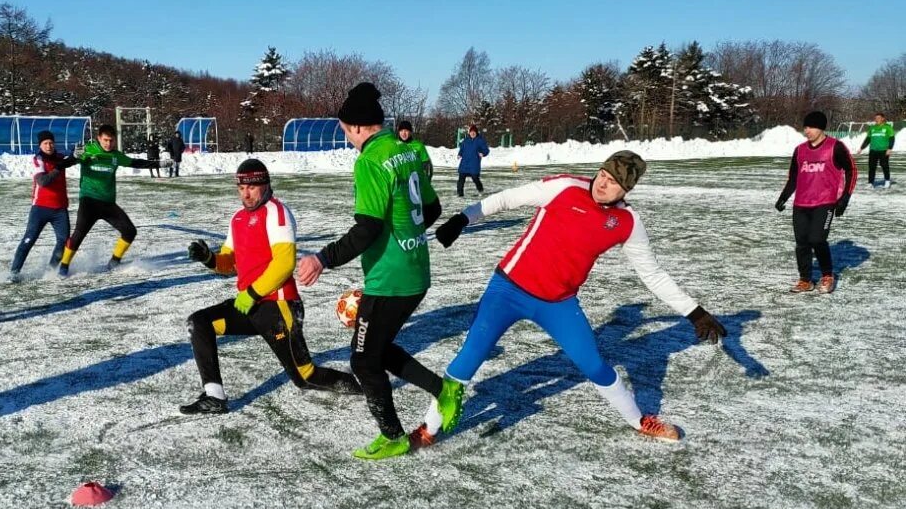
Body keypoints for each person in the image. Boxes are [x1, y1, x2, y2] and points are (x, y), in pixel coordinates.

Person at [428, 150, 726, 444]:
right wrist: (463, 219)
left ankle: (640, 420)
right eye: (603, 175)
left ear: (626, 190)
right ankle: (427, 430)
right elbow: (508, 198)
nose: (602, 183)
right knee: (470, 356)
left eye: (613, 182)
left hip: (558, 303)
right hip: (508, 289)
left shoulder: (627, 222)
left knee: (594, 365)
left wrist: (694, 311)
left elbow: (653, 274)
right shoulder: (566, 188)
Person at [295, 82, 448, 460]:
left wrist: (321, 259)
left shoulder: (370, 161)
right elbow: (432, 210)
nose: (347, 138)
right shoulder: (408, 152)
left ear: (359, 127)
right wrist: (406, 236)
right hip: (416, 271)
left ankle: (394, 436)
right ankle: (443, 392)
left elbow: (367, 230)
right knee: (376, 351)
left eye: (346, 131)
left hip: (390, 278)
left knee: (363, 360)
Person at [180, 159, 362, 414]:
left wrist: (253, 293)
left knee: (305, 377)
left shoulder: (277, 212)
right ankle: (215, 397)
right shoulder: (238, 218)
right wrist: (208, 258)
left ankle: (364, 385)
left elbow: (285, 263)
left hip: (279, 307)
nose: (246, 193)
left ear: (265, 185)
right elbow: (229, 262)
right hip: (250, 307)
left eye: (252, 187)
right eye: (241, 187)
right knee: (199, 322)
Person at [57, 124, 160, 274]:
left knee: (130, 231)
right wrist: (74, 157)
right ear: (99, 138)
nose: (108, 144)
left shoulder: (116, 156)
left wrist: (160, 164)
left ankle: (114, 262)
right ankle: (63, 267)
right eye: (105, 140)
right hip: (89, 201)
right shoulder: (87, 150)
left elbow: (135, 162)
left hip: (108, 204)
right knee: (78, 235)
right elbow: (67, 163)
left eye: (111, 141)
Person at [775, 110, 856, 294]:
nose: (807, 131)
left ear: (821, 127)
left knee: (817, 240)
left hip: (825, 202)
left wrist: (844, 198)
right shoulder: (800, 150)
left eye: (810, 127)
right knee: (802, 242)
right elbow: (793, 176)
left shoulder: (835, 147)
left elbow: (852, 170)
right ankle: (805, 280)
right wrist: (783, 197)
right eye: (805, 127)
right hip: (801, 204)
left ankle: (827, 275)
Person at [9, 131, 76, 282]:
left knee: (64, 241)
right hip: (40, 208)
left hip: (60, 209)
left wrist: (78, 156)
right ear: (40, 145)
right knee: (29, 240)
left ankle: (50, 270)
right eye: (45, 143)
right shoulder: (38, 159)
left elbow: (74, 160)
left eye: (51, 143)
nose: (49, 145)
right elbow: (43, 181)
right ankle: (14, 272)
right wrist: (59, 167)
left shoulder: (60, 158)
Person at [858, 111, 894, 188]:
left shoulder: (887, 127)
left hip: (883, 150)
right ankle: (870, 183)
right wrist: (861, 148)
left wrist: (890, 148)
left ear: (883, 119)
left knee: (884, 165)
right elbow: (868, 139)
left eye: (878, 118)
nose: (877, 119)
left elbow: (892, 138)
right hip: (873, 150)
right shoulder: (872, 128)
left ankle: (887, 181)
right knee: (871, 167)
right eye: (876, 118)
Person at [456, 124, 489, 197]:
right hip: (464, 164)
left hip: (474, 164)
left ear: (476, 133)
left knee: (475, 178)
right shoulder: (465, 141)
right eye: (471, 132)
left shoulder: (480, 140)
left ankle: (480, 189)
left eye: (474, 132)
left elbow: (486, 150)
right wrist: (459, 154)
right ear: (469, 133)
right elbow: (462, 149)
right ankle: (460, 194)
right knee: (461, 179)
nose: (472, 133)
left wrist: (483, 153)